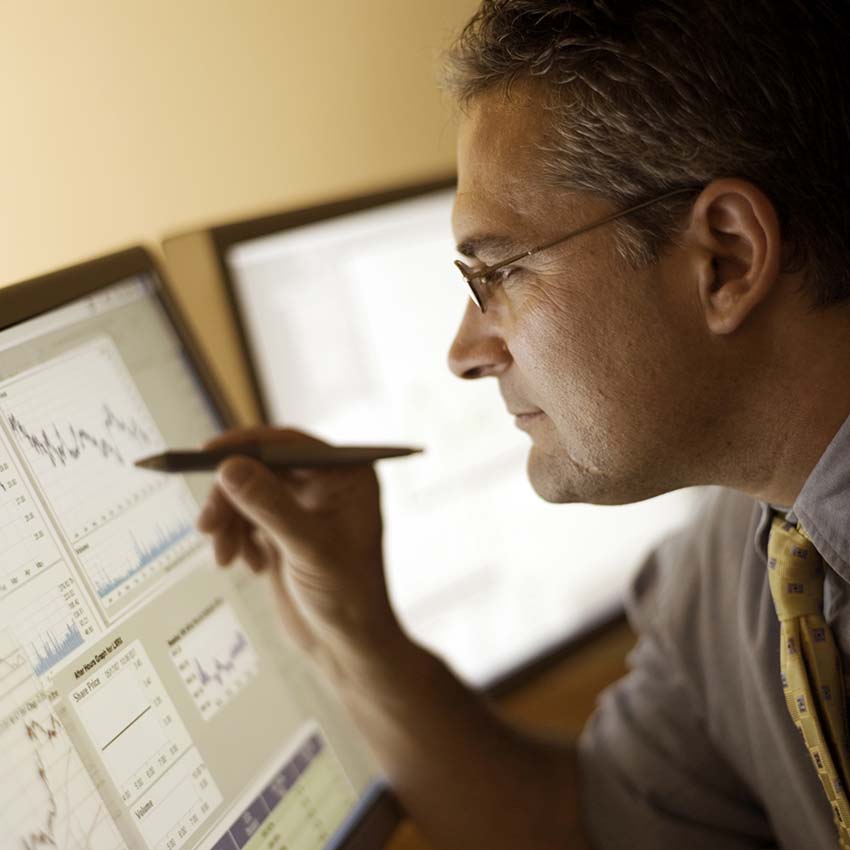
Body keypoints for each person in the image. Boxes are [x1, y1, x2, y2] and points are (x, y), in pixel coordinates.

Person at [196, 2, 850, 848]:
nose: (464, 353)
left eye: (496, 272)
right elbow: (586, 827)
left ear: (724, 259)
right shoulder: (744, 554)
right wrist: (357, 627)